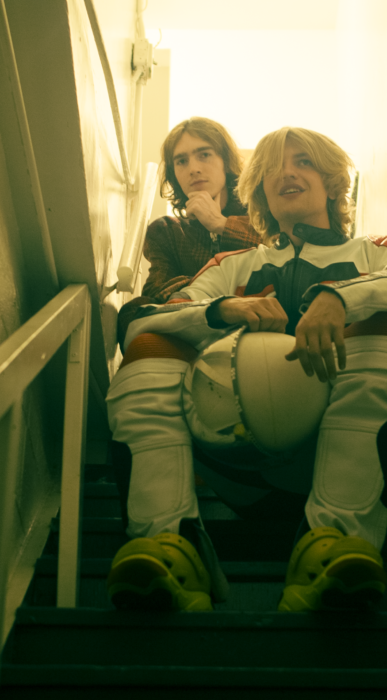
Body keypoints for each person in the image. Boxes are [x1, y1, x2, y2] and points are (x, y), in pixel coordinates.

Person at [106, 127, 387, 613]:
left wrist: (337, 298)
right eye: (273, 168)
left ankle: (336, 540)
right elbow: (140, 320)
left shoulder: (378, 250)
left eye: (303, 162)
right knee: (152, 345)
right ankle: (169, 544)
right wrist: (222, 311)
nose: (286, 173)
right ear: (259, 192)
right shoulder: (230, 265)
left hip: (346, 457)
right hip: (240, 467)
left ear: (333, 181)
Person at [112, 117, 261, 516]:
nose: (193, 168)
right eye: (181, 161)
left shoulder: (262, 216)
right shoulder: (166, 231)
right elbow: (160, 291)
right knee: (135, 316)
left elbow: (279, 257)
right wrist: (214, 298)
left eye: (204, 155)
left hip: (258, 340)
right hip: (192, 336)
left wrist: (220, 224)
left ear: (227, 162)